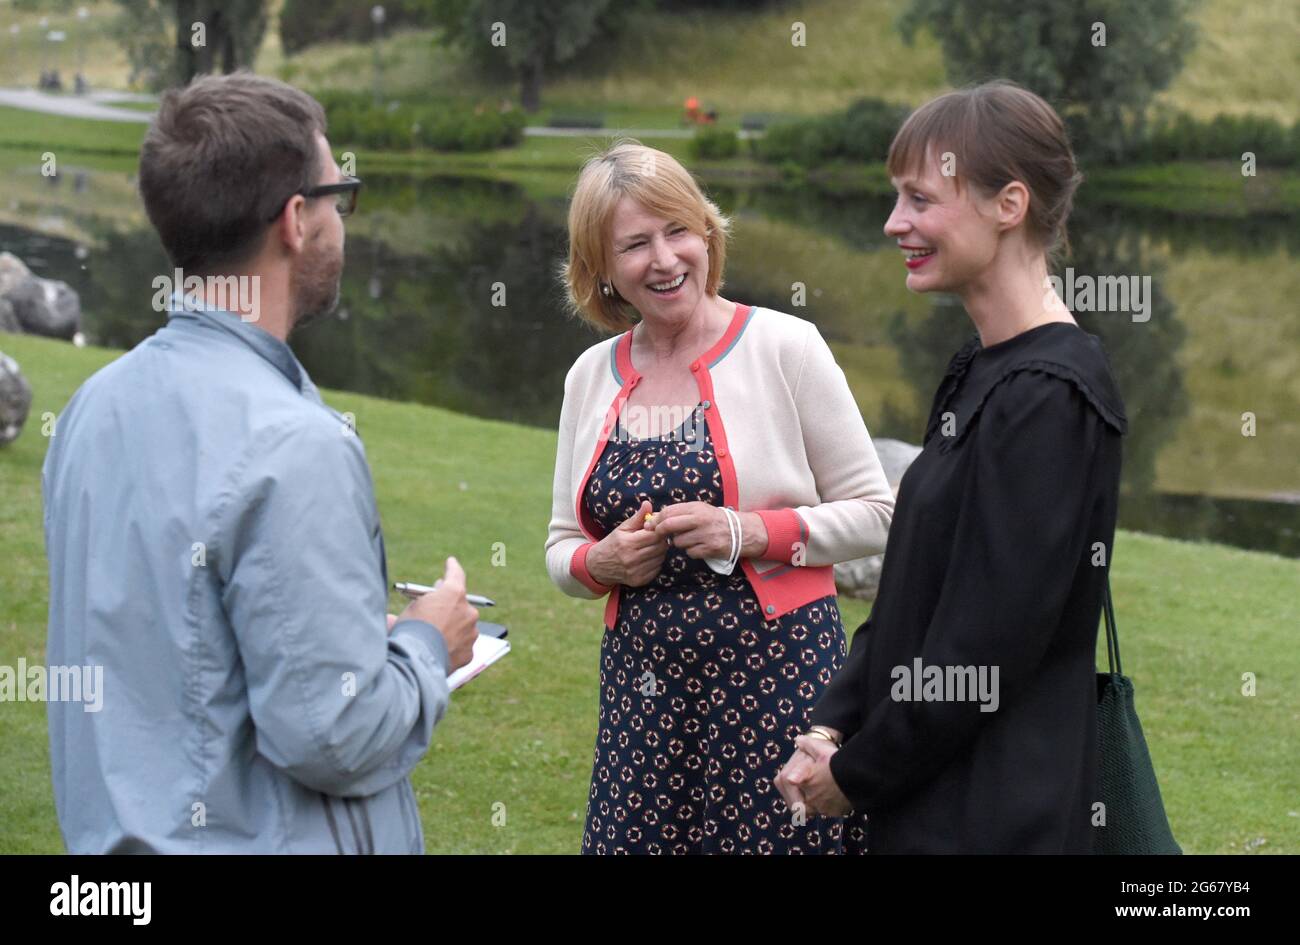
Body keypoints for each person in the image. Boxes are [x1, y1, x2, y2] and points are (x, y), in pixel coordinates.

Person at [42, 73, 478, 854]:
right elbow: (337, 735)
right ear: (295, 221)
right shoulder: (294, 443)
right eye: (337, 197)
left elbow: (170, 634)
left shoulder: (91, 407)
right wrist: (423, 645)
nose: (341, 222)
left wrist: (340, 639)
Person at [776, 81, 1128, 853]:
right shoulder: (982, 365)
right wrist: (834, 717)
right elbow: (912, 584)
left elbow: (985, 647)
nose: (894, 222)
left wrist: (860, 769)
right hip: (930, 796)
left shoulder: (1050, 396)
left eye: (920, 199)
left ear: (1010, 203)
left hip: (995, 816)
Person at [546, 140, 895, 854]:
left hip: (780, 682)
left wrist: (746, 532)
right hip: (643, 694)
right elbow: (560, 547)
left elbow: (879, 514)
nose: (666, 259)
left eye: (679, 230)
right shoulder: (590, 376)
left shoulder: (785, 346)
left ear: (707, 231)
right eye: (636, 244)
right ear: (602, 270)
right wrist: (602, 563)